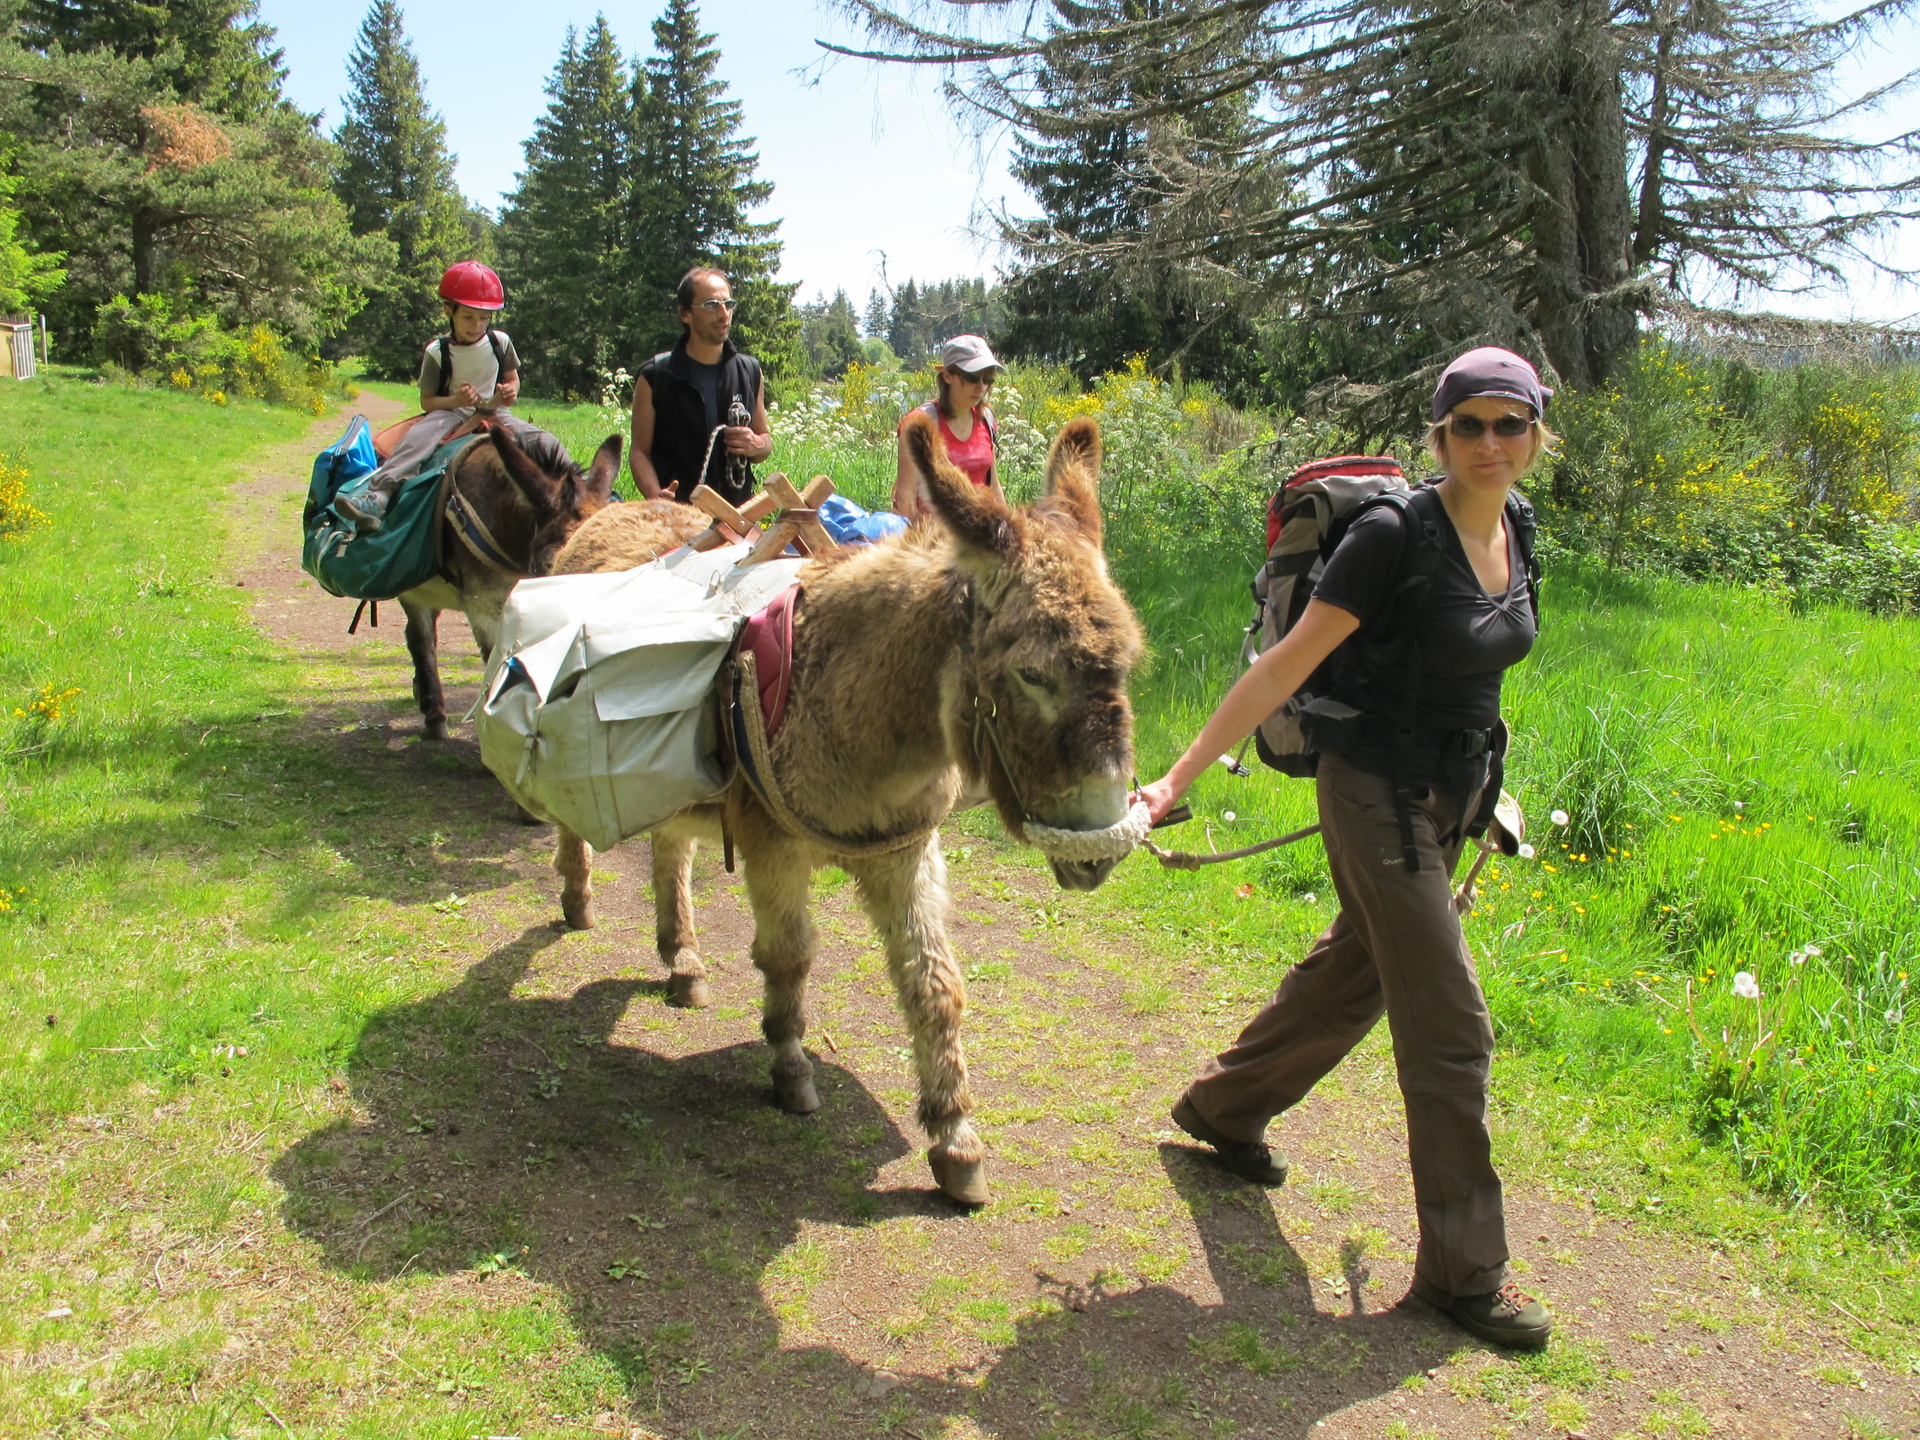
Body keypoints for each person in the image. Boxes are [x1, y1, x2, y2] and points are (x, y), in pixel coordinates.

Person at [1135, 346, 1559, 1350]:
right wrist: (1177, 778)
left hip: (1456, 790)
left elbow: (1477, 671)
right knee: (1451, 1025)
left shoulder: (1519, 526)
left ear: (1538, 434)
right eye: (1471, 426)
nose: (1491, 444)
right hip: (1372, 793)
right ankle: (1465, 1274)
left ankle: (1225, 1109)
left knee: (1361, 970)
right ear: (1439, 437)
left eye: (1511, 424)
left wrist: (1492, 789)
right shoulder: (1390, 537)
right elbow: (1283, 668)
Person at [335, 261, 544, 531]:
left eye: (484, 318)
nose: (476, 325)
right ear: (449, 311)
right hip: (449, 413)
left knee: (540, 439)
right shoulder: (437, 352)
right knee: (417, 439)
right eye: (468, 317)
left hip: (495, 412)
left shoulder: (500, 343)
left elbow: (512, 379)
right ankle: (379, 496)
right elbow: (428, 401)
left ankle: (579, 486)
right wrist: (456, 401)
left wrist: (509, 392)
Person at [631, 267, 772, 506]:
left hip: (738, 521)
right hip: (678, 521)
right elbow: (639, 453)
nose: (723, 314)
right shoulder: (656, 375)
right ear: (685, 313)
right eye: (711, 305)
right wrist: (656, 498)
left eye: (728, 304)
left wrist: (755, 444)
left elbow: (765, 443)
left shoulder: (749, 371)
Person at [891, 335, 1008, 519]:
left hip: (978, 536)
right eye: (972, 377)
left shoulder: (986, 419)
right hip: (931, 539)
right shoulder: (920, 424)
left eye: (988, 379)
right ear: (947, 376)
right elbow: (905, 497)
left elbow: (993, 486)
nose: (981, 387)